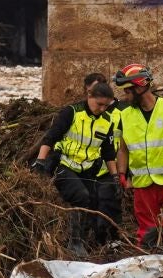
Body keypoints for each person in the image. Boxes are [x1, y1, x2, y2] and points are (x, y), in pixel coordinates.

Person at [31, 80, 121, 254]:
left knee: (92, 203)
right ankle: (75, 243)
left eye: (106, 106)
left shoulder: (107, 121)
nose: (102, 109)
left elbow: (109, 153)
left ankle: (86, 243)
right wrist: (41, 161)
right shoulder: (72, 113)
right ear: (89, 96)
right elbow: (51, 136)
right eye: (99, 104)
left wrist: (115, 177)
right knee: (81, 196)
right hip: (63, 164)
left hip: (87, 169)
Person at [111, 62, 163, 250]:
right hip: (143, 182)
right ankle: (147, 259)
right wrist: (121, 174)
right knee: (147, 230)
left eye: (128, 91)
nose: (125, 96)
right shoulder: (125, 115)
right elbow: (123, 149)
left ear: (140, 87)